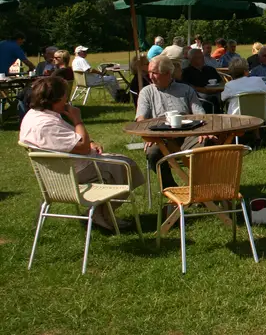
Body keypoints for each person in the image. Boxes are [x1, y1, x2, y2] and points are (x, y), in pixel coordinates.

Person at [19, 76, 145, 230]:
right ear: (57, 99)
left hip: (56, 171)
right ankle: (101, 214)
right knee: (126, 165)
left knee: (120, 162)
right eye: (65, 96)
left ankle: (101, 214)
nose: (67, 100)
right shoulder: (46, 124)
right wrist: (78, 120)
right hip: (71, 172)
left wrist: (90, 143)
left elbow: (74, 140)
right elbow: (82, 147)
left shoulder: (34, 115)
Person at [136, 56, 206, 188]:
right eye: (149, 72)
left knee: (205, 147)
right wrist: (148, 135)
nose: (150, 76)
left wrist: (204, 132)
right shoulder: (147, 92)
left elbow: (200, 114)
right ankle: (171, 189)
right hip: (161, 138)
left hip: (188, 135)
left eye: (154, 73)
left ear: (168, 73)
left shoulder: (185, 90)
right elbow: (141, 119)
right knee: (152, 152)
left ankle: (201, 189)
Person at [181, 48, 223, 112]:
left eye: (202, 56)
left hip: (217, 93)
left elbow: (221, 82)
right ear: (192, 59)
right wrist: (204, 90)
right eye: (200, 57)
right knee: (212, 99)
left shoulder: (210, 69)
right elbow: (188, 87)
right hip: (199, 96)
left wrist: (218, 88)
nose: (203, 59)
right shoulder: (187, 72)